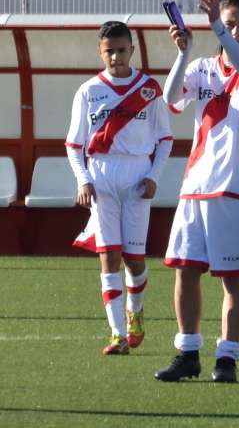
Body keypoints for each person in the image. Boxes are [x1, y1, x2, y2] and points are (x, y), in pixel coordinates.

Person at [155, 0, 239, 383]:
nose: (237, 31)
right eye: (230, 24)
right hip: (195, 186)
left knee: (232, 276)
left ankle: (227, 357)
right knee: (185, 271)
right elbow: (170, 99)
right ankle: (188, 352)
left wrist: (218, 32)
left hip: (237, 189)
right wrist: (183, 52)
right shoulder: (202, 68)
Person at [66, 21, 172, 355]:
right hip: (102, 178)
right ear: (100, 52)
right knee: (109, 256)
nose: (115, 57)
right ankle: (117, 335)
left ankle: (135, 312)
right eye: (109, 51)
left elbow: (165, 139)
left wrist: (154, 175)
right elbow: (74, 144)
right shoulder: (88, 91)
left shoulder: (149, 89)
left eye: (121, 50)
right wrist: (83, 179)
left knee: (134, 259)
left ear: (132, 50)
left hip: (138, 176)